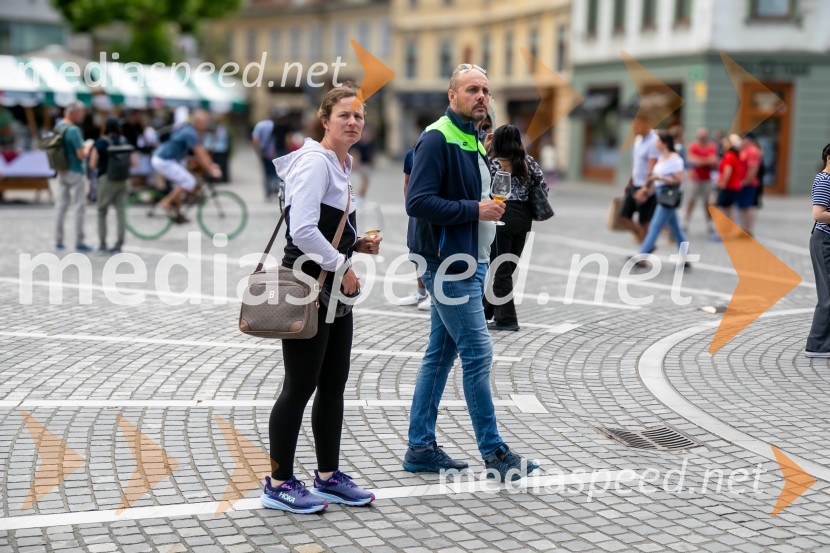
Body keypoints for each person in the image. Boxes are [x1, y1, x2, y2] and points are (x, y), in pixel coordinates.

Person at [403, 63, 538, 482]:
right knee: (478, 354)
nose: (480, 96)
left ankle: (420, 447)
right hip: (448, 263)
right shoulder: (437, 137)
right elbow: (417, 201)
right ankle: (495, 453)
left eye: (485, 90)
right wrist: (474, 210)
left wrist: (485, 214)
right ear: (452, 96)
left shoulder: (475, 139)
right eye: (471, 90)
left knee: (439, 356)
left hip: (469, 260)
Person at [261, 84, 381, 514]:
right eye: (345, 115)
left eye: (359, 116)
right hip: (308, 283)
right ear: (325, 119)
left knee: (333, 385)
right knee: (299, 387)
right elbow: (303, 231)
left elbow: (327, 225)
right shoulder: (314, 162)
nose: (353, 122)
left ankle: (328, 476)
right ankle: (278, 482)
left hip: (331, 285)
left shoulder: (340, 162)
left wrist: (355, 247)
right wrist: (343, 265)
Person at [484, 124, 549, 331]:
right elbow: (544, 188)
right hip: (524, 217)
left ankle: (507, 320)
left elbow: (481, 185)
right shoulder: (527, 162)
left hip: (502, 214)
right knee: (508, 267)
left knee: (501, 268)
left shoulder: (493, 163)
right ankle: (486, 310)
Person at [151, 109, 221, 222]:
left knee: (180, 184)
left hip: (167, 159)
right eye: (205, 123)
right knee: (189, 182)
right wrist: (211, 167)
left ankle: (177, 214)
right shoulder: (190, 133)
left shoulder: (187, 129)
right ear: (198, 122)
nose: (206, 126)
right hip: (164, 160)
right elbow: (200, 153)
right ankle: (165, 202)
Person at [634, 131, 689, 267]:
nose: (655, 144)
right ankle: (686, 256)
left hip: (668, 195)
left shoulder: (675, 159)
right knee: (675, 228)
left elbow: (678, 180)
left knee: (655, 226)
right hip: (660, 192)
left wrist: (660, 178)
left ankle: (642, 255)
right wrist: (646, 189)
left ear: (664, 143)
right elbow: (655, 177)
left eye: (658, 142)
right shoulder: (661, 158)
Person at [89, 117, 133, 254]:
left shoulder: (101, 142)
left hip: (106, 179)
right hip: (124, 180)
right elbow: (134, 162)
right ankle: (119, 244)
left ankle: (103, 243)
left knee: (102, 211)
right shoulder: (125, 141)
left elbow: (92, 164)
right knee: (121, 212)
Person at [53, 102, 93, 252]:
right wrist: (88, 146)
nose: (82, 115)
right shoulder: (74, 130)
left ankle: (58, 240)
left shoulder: (58, 127)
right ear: (73, 112)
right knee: (79, 207)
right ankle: (79, 241)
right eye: (81, 112)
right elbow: (81, 154)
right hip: (75, 170)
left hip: (61, 169)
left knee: (61, 206)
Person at [397, 145, 431, 310]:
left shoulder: (440, 153)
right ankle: (421, 291)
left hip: (433, 208)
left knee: (432, 251)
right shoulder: (411, 154)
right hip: (417, 211)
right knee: (416, 249)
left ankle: (434, 293)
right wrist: (410, 206)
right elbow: (407, 182)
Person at [620, 115, 660, 243]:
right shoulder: (638, 140)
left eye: (637, 125)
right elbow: (636, 165)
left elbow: (652, 169)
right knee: (624, 216)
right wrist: (630, 182)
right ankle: (646, 242)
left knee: (644, 221)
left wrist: (645, 188)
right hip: (635, 183)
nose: (635, 128)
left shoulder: (654, 141)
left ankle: (643, 253)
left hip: (646, 186)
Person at [806, 144, 830, 358]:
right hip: (824, 241)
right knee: (827, 295)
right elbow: (818, 214)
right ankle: (817, 346)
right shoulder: (824, 180)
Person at [252, 108, 293, 201]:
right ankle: (279, 190)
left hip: (266, 152)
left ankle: (268, 192)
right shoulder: (275, 124)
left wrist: (258, 151)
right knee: (279, 171)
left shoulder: (260, 125)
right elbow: (289, 139)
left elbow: (255, 140)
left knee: (267, 172)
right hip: (279, 151)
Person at [684, 127, 718, 236]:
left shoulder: (711, 147)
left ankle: (709, 224)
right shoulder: (693, 146)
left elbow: (713, 160)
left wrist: (700, 161)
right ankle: (686, 223)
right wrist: (705, 161)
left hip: (706, 179)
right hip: (695, 178)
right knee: (691, 201)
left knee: (707, 203)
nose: (702, 138)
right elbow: (691, 159)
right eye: (700, 137)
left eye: (704, 137)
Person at [714, 134, 745, 227]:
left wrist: (722, 184)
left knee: (723, 209)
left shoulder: (729, 156)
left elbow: (728, 171)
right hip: (735, 186)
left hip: (728, 186)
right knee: (730, 209)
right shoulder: (736, 155)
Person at [739, 132, 763, 236]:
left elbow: (753, 168)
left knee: (749, 206)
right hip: (747, 182)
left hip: (750, 183)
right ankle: (744, 228)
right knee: (744, 206)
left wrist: (746, 181)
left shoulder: (752, 151)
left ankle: (747, 229)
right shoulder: (747, 150)